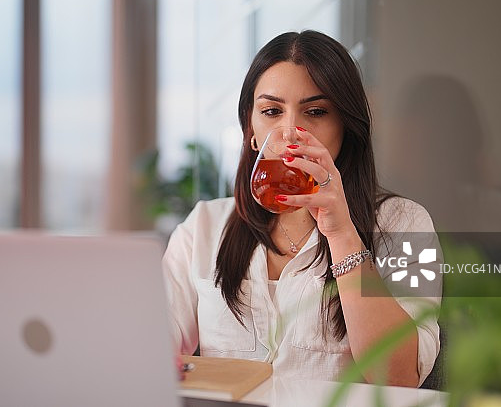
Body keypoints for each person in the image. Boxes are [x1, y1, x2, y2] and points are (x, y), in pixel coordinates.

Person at [162, 30, 441, 387]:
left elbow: (399, 377)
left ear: (346, 126)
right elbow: (148, 349)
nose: (291, 132)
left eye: (316, 112)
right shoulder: (203, 226)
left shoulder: (405, 222)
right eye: (271, 111)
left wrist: (342, 235)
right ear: (250, 127)